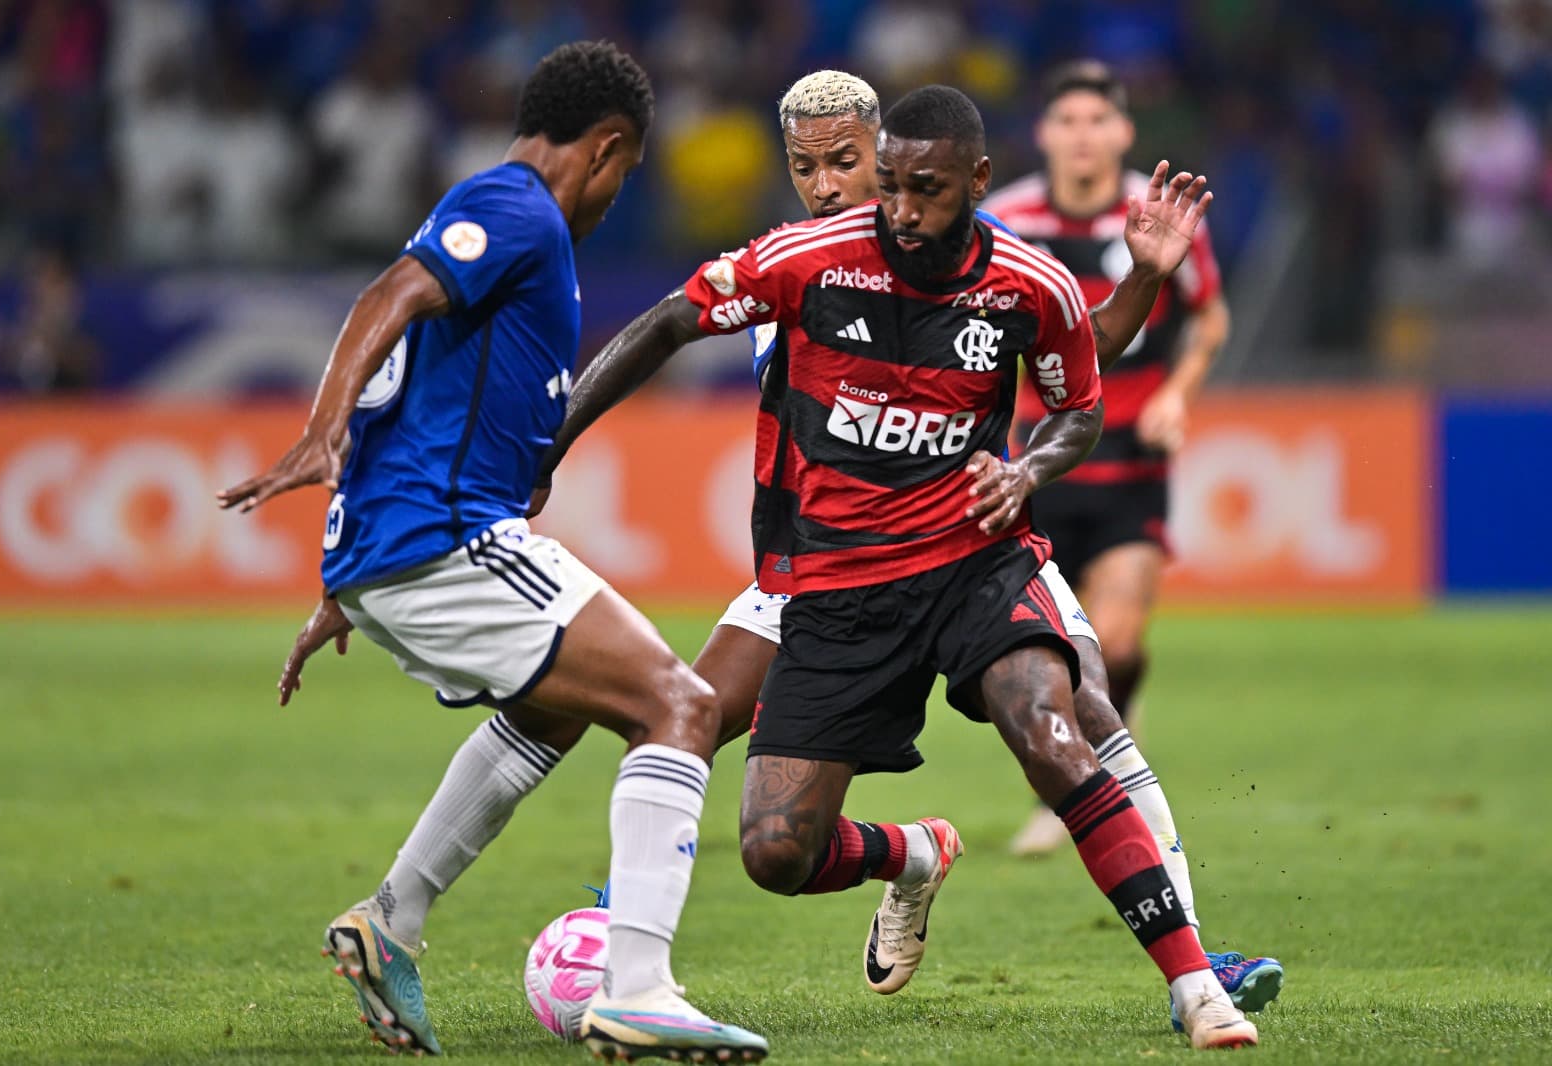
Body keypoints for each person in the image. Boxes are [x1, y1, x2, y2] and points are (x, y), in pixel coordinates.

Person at [281, 70, 1279, 1024]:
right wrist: (551, 446)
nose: (828, 185)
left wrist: (1144, 282)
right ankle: (443, 911)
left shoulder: (973, 243)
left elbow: (1070, 346)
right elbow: (667, 325)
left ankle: (1198, 962)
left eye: (845, 161)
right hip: (817, 570)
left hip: (964, 546)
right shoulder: (797, 258)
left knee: (1081, 706)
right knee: (653, 717)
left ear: (890, 151)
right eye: (805, 166)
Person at [216, 42, 767, 1064]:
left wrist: (347, 579)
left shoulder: (496, 221)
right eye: (626, 170)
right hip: (444, 536)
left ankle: (391, 918)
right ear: (605, 148)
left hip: (409, 538)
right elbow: (386, 298)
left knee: (557, 707)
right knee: (679, 705)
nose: (617, 193)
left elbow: (413, 383)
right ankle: (640, 990)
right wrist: (319, 434)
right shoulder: (517, 209)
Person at [985, 61, 1233, 862]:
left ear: (1124, 132)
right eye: (1068, 121)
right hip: (1041, 459)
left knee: (1117, 647)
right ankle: (1068, 785)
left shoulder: (1162, 217)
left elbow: (1209, 317)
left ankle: (1074, 791)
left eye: (1098, 120)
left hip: (1131, 457)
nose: (1083, 136)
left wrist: (1179, 394)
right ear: (1044, 134)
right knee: (1051, 654)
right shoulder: (1004, 219)